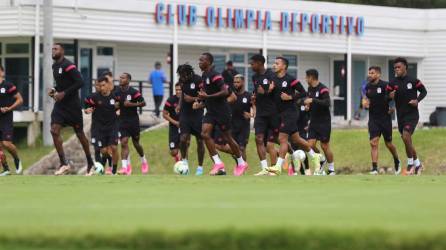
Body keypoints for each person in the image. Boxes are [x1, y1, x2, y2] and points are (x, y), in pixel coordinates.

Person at [266, 57, 320, 176]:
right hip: (279, 114)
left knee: (282, 139)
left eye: (277, 63)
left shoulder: (290, 79)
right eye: (274, 63)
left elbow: (303, 92)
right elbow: (271, 98)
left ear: (284, 66)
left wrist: (290, 97)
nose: (274, 65)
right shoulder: (273, 79)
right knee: (296, 139)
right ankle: (315, 156)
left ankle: (277, 167)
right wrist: (269, 91)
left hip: (290, 113)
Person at [198, 53, 248, 176]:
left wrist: (207, 96)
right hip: (211, 111)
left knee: (228, 138)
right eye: (199, 60)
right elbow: (208, 95)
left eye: (202, 60)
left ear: (209, 62)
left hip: (222, 112)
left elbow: (225, 91)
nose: (199, 62)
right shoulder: (204, 76)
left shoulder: (216, 75)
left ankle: (241, 162)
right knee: (204, 134)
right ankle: (218, 163)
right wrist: (201, 102)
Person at [49, 43, 95, 175]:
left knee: (80, 134)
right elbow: (61, 84)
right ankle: (64, 163)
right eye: (52, 49)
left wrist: (63, 93)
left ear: (62, 51)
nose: (53, 50)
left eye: (56, 49)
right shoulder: (54, 66)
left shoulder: (68, 65)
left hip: (73, 107)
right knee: (54, 130)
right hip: (60, 106)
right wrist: (55, 90)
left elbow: (80, 82)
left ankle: (90, 163)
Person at [388, 57, 427, 175]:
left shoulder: (413, 81)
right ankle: (418, 164)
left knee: (406, 136)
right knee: (407, 140)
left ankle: (410, 163)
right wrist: (389, 97)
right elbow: (386, 97)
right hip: (401, 116)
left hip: (412, 115)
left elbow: (424, 91)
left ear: (405, 67)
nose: (396, 69)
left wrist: (417, 100)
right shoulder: (392, 83)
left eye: (399, 67)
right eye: (395, 68)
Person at [364, 66, 400, 175]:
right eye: (369, 73)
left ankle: (396, 159)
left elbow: (393, 96)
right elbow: (366, 100)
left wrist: (393, 107)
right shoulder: (368, 87)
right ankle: (374, 168)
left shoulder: (386, 85)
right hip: (373, 119)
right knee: (373, 143)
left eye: (372, 73)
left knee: (388, 143)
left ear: (378, 74)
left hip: (385, 118)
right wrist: (365, 104)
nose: (370, 75)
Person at [249, 54, 281, 176]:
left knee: (274, 142)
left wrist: (267, 91)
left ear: (260, 63)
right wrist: (254, 98)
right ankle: (265, 168)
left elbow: (278, 94)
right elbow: (257, 91)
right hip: (261, 114)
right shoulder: (254, 77)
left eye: (252, 63)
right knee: (258, 139)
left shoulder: (272, 75)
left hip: (273, 113)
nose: (251, 66)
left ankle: (290, 154)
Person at [84, 77, 120, 175]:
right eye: (100, 86)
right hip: (99, 127)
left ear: (108, 85)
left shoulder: (115, 96)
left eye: (104, 85)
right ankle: (106, 163)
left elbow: (121, 105)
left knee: (114, 147)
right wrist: (86, 110)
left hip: (112, 126)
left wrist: (120, 110)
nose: (102, 88)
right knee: (103, 151)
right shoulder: (94, 97)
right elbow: (86, 105)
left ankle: (114, 170)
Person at [115, 72, 148, 175]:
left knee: (136, 143)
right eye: (120, 77)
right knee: (124, 142)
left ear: (128, 80)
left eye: (123, 78)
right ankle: (125, 167)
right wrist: (116, 106)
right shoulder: (116, 92)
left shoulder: (134, 92)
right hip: (122, 121)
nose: (120, 79)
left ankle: (143, 160)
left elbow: (143, 103)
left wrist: (131, 104)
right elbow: (115, 104)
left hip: (133, 121)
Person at [214, 74, 252, 164]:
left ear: (243, 82)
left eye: (238, 82)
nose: (235, 84)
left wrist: (251, 114)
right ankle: (239, 162)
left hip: (243, 127)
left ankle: (242, 170)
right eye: (234, 82)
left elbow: (255, 107)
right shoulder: (230, 95)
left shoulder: (248, 95)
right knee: (225, 146)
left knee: (242, 148)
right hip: (231, 126)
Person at [304, 69, 335, 176]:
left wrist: (313, 100)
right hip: (313, 121)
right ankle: (321, 159)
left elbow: (327, 103)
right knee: (309, 145)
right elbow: (311, 102)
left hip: (324, 122)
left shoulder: (323, 89)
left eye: (306, 77)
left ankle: (331, 169)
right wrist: (308, 106)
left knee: (325, 146)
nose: (305, 79)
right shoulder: (309, 89)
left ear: (311, 77)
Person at [176, 64, 205, 176]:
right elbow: (183, 95)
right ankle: (184, 163)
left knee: (199, 140)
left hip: (197, 113)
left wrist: (192, 99)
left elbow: (204, 96)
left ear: (189, 73)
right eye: (180, 75)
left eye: (183, 75)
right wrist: (179, 104)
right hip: (185, 114)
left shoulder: (198, 80)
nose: (181, 77)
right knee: (183, 139)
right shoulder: (182, 81)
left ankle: (200, 167)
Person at [0, 65, 24, 176]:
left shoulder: (8, 85)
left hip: (6, 119)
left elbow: (20, 100)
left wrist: (9, 108)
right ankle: (6, 169)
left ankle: (17, 159)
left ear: (2, 71)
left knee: (6, 143)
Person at [163, 83, 181, 164]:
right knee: (174, 152)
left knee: (184, 147)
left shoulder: (187, 99)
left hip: (185, 126)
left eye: (180, 90)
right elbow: (164, 114)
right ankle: (177, 158)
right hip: (174, 127)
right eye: (176, 90)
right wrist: (175, 122)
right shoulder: (170, 100)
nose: (178, 91)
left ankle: (184, 165)